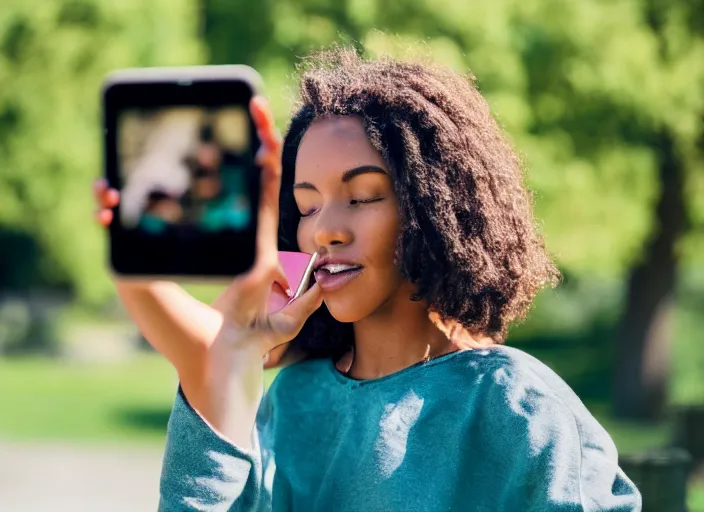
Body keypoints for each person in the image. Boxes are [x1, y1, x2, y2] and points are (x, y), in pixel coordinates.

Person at [94, 46, 642, 511]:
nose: (325, 231)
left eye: (361, 197)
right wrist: (225, 339)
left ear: (433, 208)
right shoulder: (293, 402)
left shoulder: (514, 407)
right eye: (306, 207)